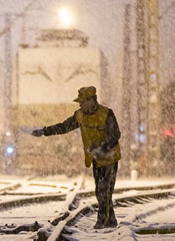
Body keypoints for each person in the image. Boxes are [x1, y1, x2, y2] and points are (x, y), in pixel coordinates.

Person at [31, 86, 121, 228]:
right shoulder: (79, 115)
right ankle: (109, 221)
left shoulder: (106, 113)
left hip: (110, 158)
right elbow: (63, 127)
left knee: (105, 191)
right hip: (96, 159)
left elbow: (115, 135)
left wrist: (102, 148)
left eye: (82, 101)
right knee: (100, 190)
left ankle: (104, 221)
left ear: (92, 100)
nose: (80, 104)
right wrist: (44, 131)